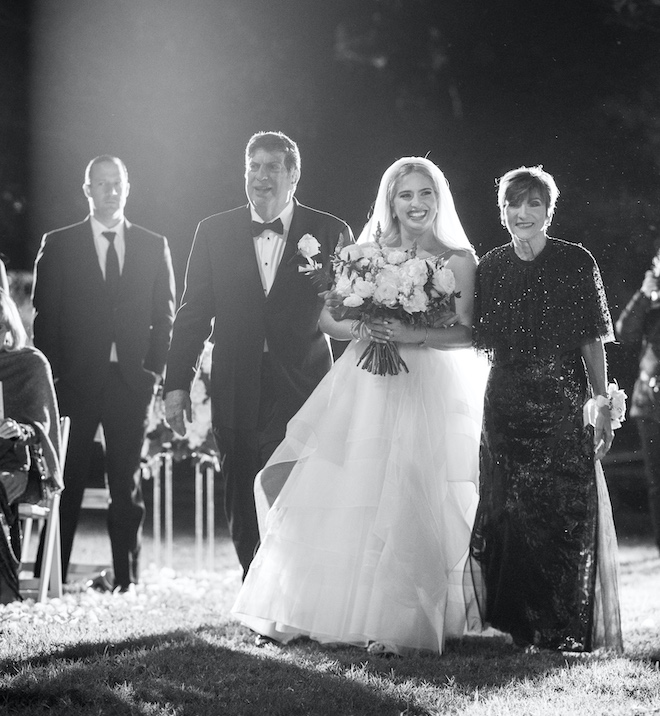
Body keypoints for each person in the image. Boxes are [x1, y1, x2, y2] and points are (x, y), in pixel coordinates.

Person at [232, 156, 488, 656]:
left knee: (410, 490)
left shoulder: (459, 259)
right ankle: (320, 607)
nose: (416, 204)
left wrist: (415, 333)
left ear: (439, 199)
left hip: (424, 385)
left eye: (425, 194)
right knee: (350, 486)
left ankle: (398, 621)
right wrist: (368, 329)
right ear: (390, 201)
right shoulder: (366, 253)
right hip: (366, 382)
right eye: (405, 195)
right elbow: (329, 321)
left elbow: (468, 331)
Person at [164, 131, 353, 578]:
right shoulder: (212, 231)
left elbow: (347, 310)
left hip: (303, 384)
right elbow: (192, 314)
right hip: (234, 381)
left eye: (272, 167)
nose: (261, 176)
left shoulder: (331, 231)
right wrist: (176, 385)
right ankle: (255, 587)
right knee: (241, 489)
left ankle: (295, 587)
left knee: (293, 486)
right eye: (254, 166)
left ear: (294, 174)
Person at [469, 165, 623, 653]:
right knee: (509, 513)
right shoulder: (490, 266)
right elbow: (480, 339)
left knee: (563, 511)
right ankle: (519, 624)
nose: (523, 213)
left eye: (534, 203)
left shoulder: (576, 261)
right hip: (507, 406)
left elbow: (592, 340)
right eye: (514, 204)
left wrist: (599, 402)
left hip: (562, 403)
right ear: (503, 212)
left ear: (548, 209)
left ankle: (562, 625)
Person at [32, 155, 176, 592]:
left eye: (116, 183)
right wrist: (55, 380)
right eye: (101, 183)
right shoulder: (58, 244)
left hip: (131, 383)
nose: (109, 191)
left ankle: (126, 580)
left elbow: (165, 316)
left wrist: (153, 372)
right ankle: (51, 578)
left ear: (126, 188)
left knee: (126, 482)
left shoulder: (154, 245)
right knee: (67, 480)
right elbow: (45, 319)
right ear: (87, 190)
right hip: (75, 383)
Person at [0, 289, 61, 603]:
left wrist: (17, 429)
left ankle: (5, 589)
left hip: (19, 467)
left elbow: (43, 428)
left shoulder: (30, 363)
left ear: (9, 328)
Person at [616, 260, 660, 555]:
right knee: (657, 482)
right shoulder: (651, 302)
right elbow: (625, 331)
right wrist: (645, 295)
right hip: (651, 402)